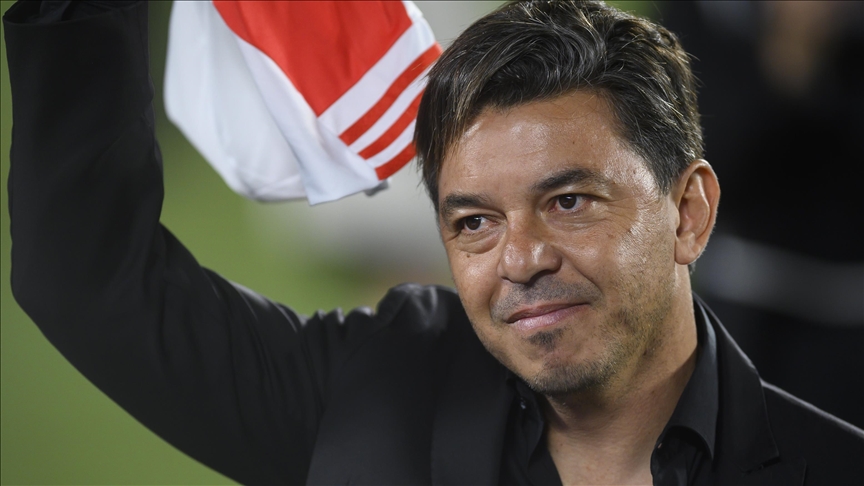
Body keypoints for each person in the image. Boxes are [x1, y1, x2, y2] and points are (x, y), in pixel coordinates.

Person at [4, 0, 862, 485]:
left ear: (689, 212)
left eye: (568, 202)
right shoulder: (375, 394)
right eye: (474, 222)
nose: (519, 260)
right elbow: (85, 277)